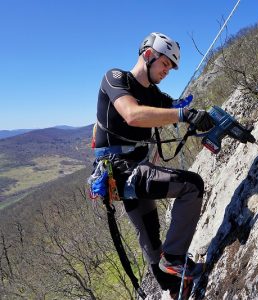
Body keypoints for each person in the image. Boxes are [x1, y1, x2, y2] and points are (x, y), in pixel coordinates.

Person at [92, 32, 213, 298]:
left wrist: (193, 113)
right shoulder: (115, 79)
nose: (167, 71)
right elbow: (132, 114)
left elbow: (170, 107)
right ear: (148, 55)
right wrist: (182, 114)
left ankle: (172, 289)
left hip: (133, 170)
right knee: (192, 186)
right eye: (165, 64)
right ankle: (174, 259)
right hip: (121, 170)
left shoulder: (154, 94)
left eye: (170, 67)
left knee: (150, 239)